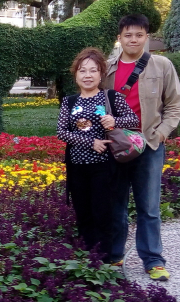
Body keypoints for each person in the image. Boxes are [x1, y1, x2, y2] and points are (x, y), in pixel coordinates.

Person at [103, 14, 180, 282]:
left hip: (148, 144)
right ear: (119, 38)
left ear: (146, 37)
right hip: (117, 146)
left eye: (139, 35)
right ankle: (115, 255)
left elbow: (175, 103)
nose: (133, 40)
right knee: (115, 204)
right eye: (128, 35)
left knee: (148, 206)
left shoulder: (162, 65)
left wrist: (162, 133)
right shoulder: (107, 68)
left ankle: (153, 260)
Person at [58, 48, 141, 255]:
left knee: (103, 212)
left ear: (101, 74)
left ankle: (105, 258)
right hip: (77, 167)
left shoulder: (111, 97)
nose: (87, 75)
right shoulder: (69, 101)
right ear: (76, 75)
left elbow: (133, 120)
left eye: (93, 70)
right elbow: (61, 132)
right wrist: (90, 142)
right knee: (83, 212)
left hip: (105, 167)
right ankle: (88, 256)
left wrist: (114, 120)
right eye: (82, 71)